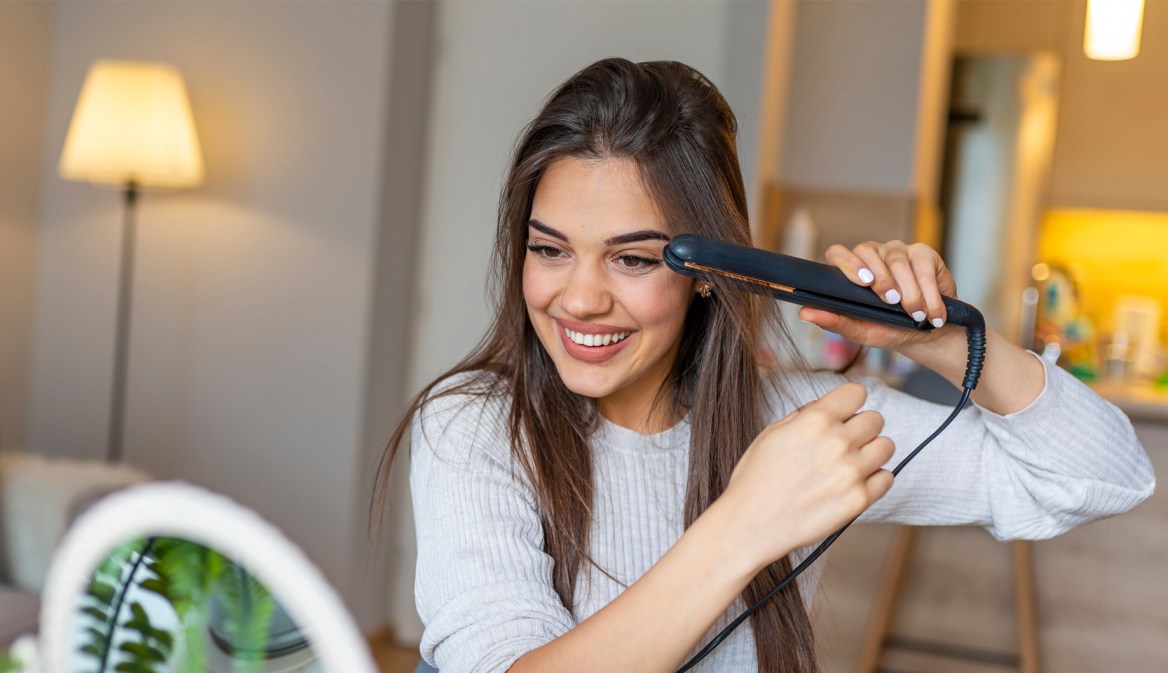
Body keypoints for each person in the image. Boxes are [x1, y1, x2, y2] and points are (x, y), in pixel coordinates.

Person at [376, 58, 1155, 673]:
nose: (579, 298)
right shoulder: (476, 425)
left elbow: (1100, 474)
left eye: (633, 259)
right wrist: (750, 517)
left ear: (709, 267)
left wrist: (936, 340)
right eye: (550, 250)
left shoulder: (796, 422)